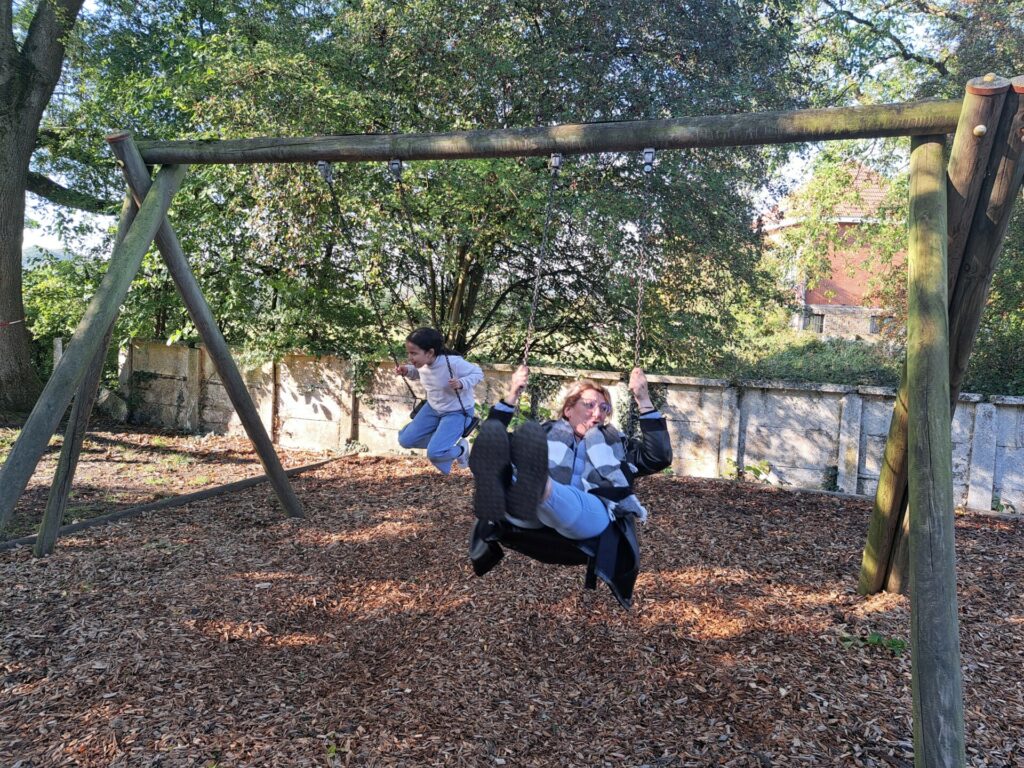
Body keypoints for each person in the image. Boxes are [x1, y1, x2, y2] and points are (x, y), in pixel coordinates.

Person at [467, 364, 672, 607]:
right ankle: (524, 487)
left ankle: (540, 486)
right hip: (529, 519)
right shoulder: (541, 434)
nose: (597, 413)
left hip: (589, 520)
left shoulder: (618, 444)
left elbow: (658, 457)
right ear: (568, 410)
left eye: (604, 408)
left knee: (560, 494)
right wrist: (512, 394)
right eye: (589, 405)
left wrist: (643, 398)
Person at [394, 327, 483, 475]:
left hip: (457, 412)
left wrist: (462, 383)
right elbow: (422, 373)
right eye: (409, 353)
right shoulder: (423, 363)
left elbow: (478, 373)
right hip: (433, 408)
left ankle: (460, 450)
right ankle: (441, 443)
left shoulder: (453, 363)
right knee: (405, 440)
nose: (410, 357)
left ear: (430, 352)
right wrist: (408, 370)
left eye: (413, 353)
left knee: (435, 453)